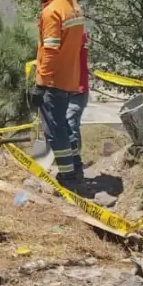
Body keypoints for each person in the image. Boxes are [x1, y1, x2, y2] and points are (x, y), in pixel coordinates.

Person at [25, 0, 86, 183]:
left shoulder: (51, 12)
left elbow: (50, 51)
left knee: (55, 131)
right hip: (70, 79)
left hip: (54, 82)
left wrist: (41, 84)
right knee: (64, 126)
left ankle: (68, 176)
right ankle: (75, 166)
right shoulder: (72, 5)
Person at [65, 32, 90, 178]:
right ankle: (70, 163)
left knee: (70, 124)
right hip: (65, 90)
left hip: (77, 91)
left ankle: (75, 164)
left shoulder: (77, 34)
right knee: (64, 127)